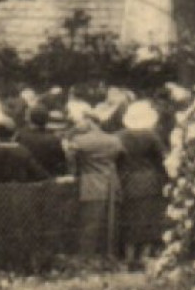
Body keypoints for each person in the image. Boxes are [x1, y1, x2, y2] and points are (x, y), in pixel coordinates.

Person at [67, 112, 126, 258]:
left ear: (89, 122)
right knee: (111, 222)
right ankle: (110, 254)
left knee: (89, 222)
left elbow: (71, 161)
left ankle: (88, 256)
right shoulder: (114, 140)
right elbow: (122, 157)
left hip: (90, 183)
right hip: (112, 183)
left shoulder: (79, 140)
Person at [116, 100, 169, 261]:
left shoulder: (119, 136)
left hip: (127, 180)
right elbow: (164, 159)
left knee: (129, 217)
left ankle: (129, 256)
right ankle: (145, 255)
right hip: (149, 179)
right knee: (149, 218)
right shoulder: (151, 136)